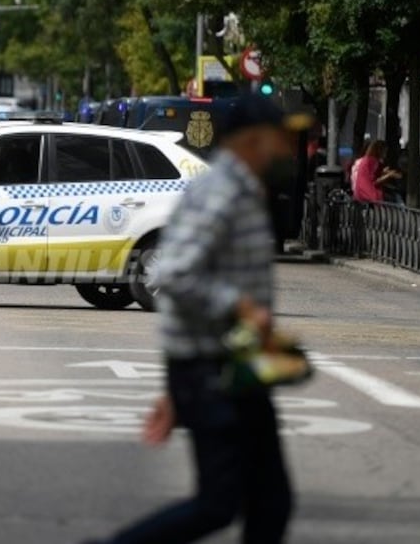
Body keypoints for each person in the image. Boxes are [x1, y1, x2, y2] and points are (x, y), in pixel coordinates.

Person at [97, 94, 311, 544]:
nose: (291, 151)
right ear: (254, 140)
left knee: (270, 502)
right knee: (219, 503)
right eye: (283, 139)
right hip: (211, 369)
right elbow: (173, 272)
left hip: (234, 365)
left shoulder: (246, 190)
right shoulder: (223, 193)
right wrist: (238, 308)